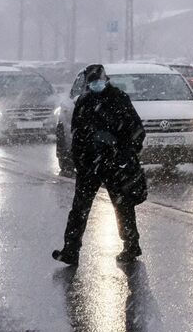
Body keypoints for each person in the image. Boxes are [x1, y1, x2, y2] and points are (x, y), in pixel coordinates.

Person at [53, 64, 146, 265]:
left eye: (99, 80)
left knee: (123, 207)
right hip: (90, 165)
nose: (96, 84)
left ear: (106, 79)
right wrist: (79, 161)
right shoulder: (84, 102)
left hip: (114, 164)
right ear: (88, 83)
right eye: (92, 82)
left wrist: (124, 154)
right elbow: (76, 135)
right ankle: (71, 249)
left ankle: (131, 246)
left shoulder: (119, 99)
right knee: (80, 208)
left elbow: (137, 130)